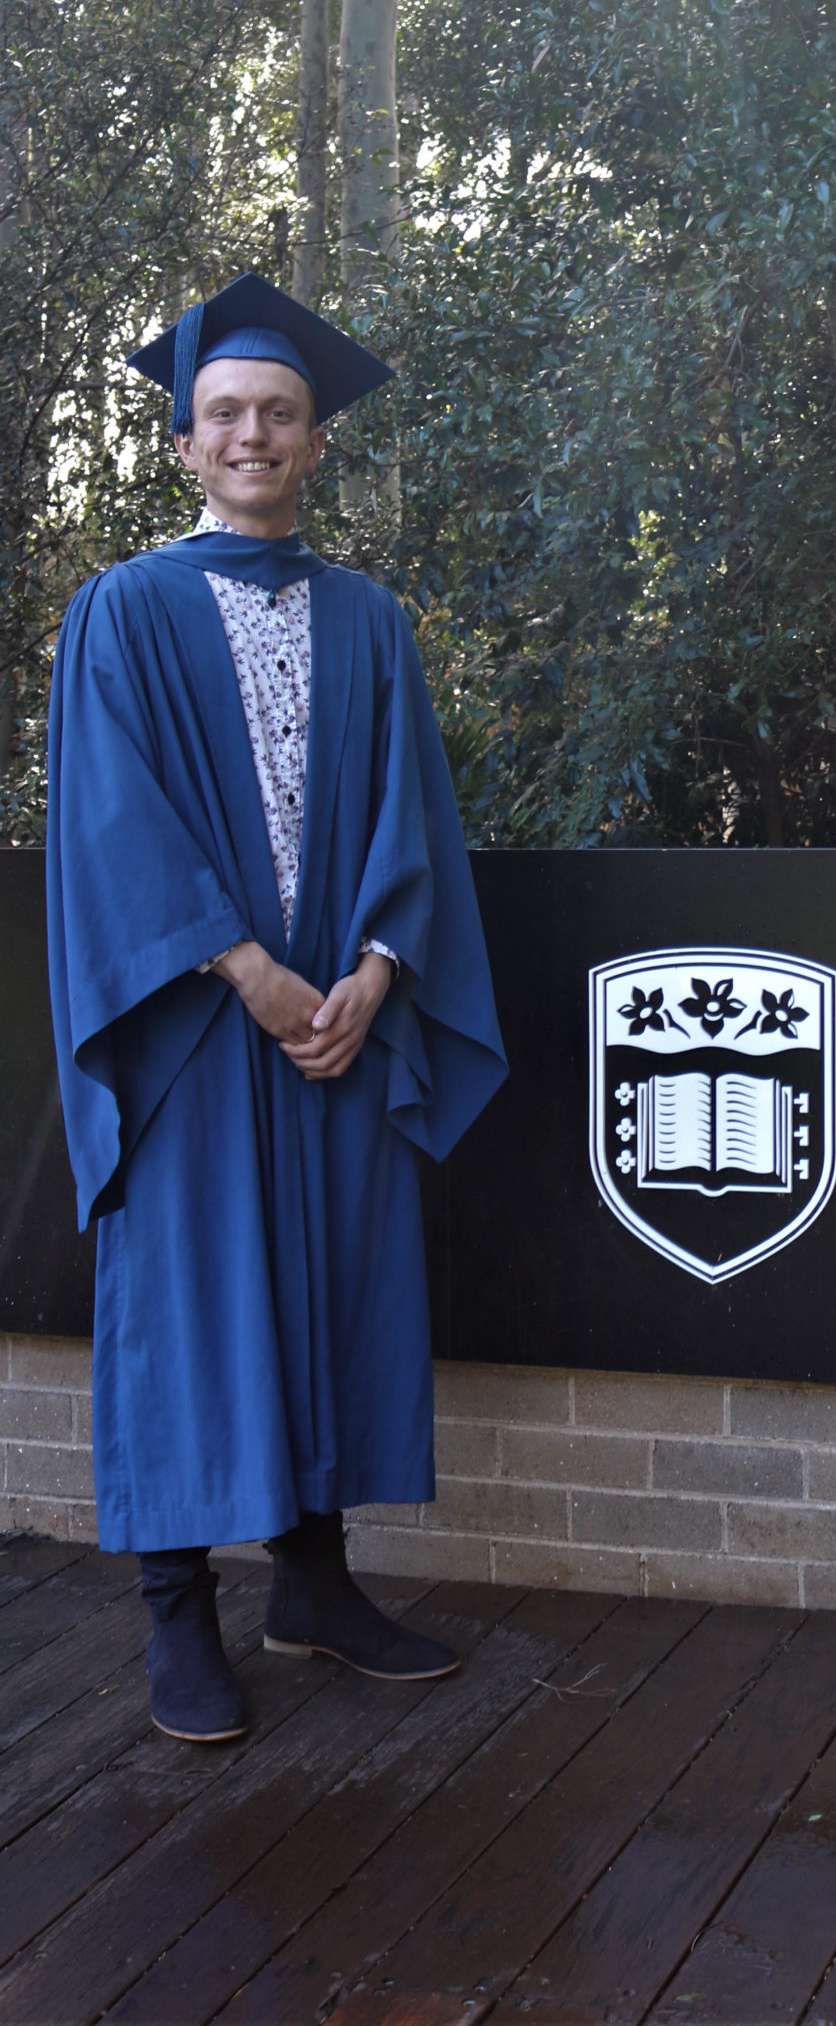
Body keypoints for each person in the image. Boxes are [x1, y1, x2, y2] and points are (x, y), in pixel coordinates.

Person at [46, 273, 507, 1743]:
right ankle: (178, 1613)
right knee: (188, 1301)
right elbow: (112, 827)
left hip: (339, 1024)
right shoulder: (120, 611)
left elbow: (410, 820)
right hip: (193, 1022)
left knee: (333, 1286)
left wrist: (373, 975)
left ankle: (316, 1583)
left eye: (281, 414)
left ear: (316, 443)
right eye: (226, 413)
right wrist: (248, 970)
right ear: (184, 443)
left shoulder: (372, 622)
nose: (253, 434)